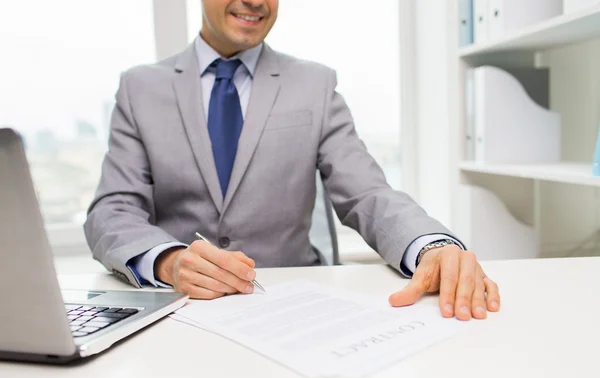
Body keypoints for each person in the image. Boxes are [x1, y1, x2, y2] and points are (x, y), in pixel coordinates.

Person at [85, 0, 500, 321]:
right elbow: (113, 210)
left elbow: (368, 193)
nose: (255, 1)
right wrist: (167, 261)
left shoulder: (314, 84)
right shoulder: (140, 87)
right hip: (183, 311)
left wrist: (433, 245)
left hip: (294, 311)